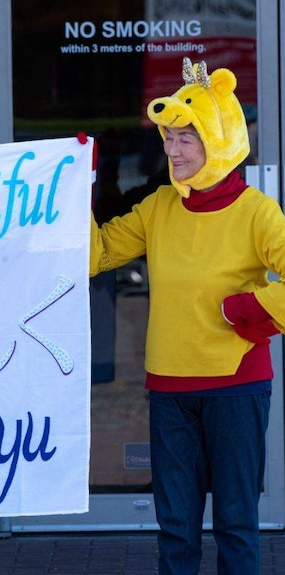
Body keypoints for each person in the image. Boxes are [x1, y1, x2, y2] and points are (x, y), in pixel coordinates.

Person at [89, 57, 284, 574]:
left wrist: (250, 310)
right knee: (175, 530)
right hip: (170, 390)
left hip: (236, 389)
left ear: (217, 142)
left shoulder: (257, 212)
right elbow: (98, 254)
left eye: (185, 139)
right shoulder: (158, 208)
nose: (171, 150)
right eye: (168, 137)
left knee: (237, 524)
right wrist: (78, 192)